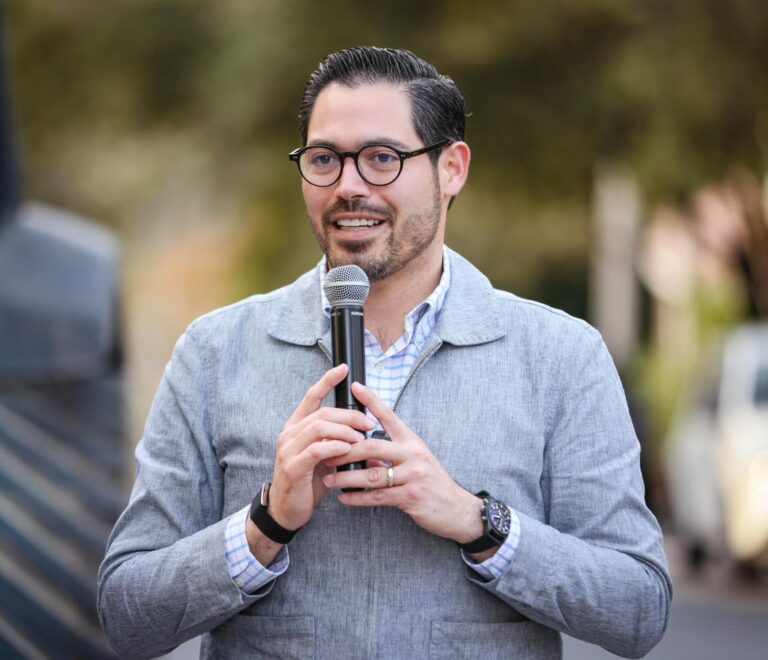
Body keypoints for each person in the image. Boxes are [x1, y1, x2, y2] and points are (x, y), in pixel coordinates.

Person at [98, 47, 671, 659]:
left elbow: (637, 608)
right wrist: (264, 524)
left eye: (382, 158)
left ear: (451, 169)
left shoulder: (561, 356)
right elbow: (127, 615)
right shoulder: (215, 353)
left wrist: (478, 521)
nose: (348, 186)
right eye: (324, 159)